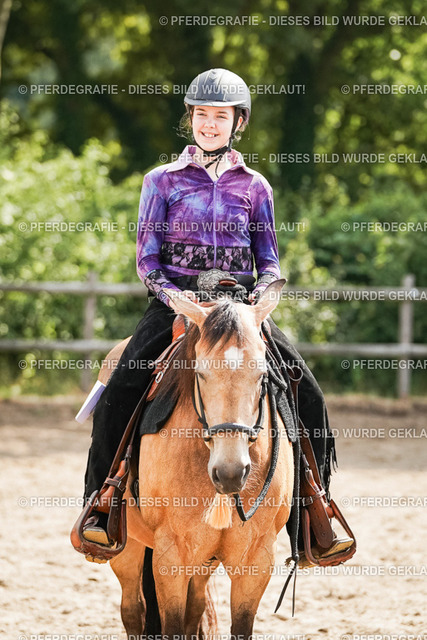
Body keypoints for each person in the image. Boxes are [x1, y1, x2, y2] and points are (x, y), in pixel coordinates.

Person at [80, 68, 352, 563]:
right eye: (201, 114)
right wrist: (175, 299)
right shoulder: (160, 181)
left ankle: (315, 511)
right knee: (122, 385)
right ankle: (101, 504)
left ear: (238, 122)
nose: (209, 123)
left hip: (240, 307)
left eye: (220, 116)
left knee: (306, 390)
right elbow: (147, 260)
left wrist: (265, 295)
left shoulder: (256, 186)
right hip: (177, 303)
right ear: (190, 119)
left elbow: (268, 260)